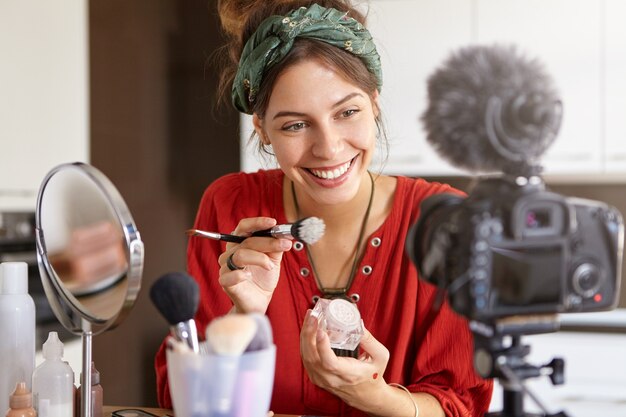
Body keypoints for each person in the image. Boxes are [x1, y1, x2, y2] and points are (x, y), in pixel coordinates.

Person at [155, 1, 493, 415]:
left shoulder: (447, 225)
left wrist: (375, 397)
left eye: (347, 112)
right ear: (261, 127)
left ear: (374, 103)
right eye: (295, 124)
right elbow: (184, 402)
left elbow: (461, 405)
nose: (329, 148)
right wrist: (244, 314)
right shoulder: (231, 206)